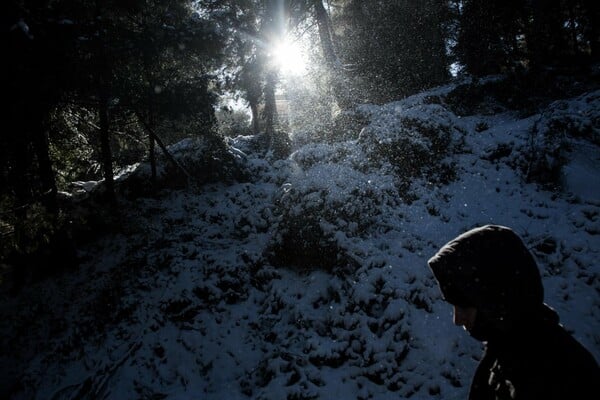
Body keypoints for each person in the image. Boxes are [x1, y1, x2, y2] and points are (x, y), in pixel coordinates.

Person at [427, 224, 599, 399]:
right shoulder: (508, 352)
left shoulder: (553, 374)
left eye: (464, 306)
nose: (457, 320)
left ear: (493, 299)